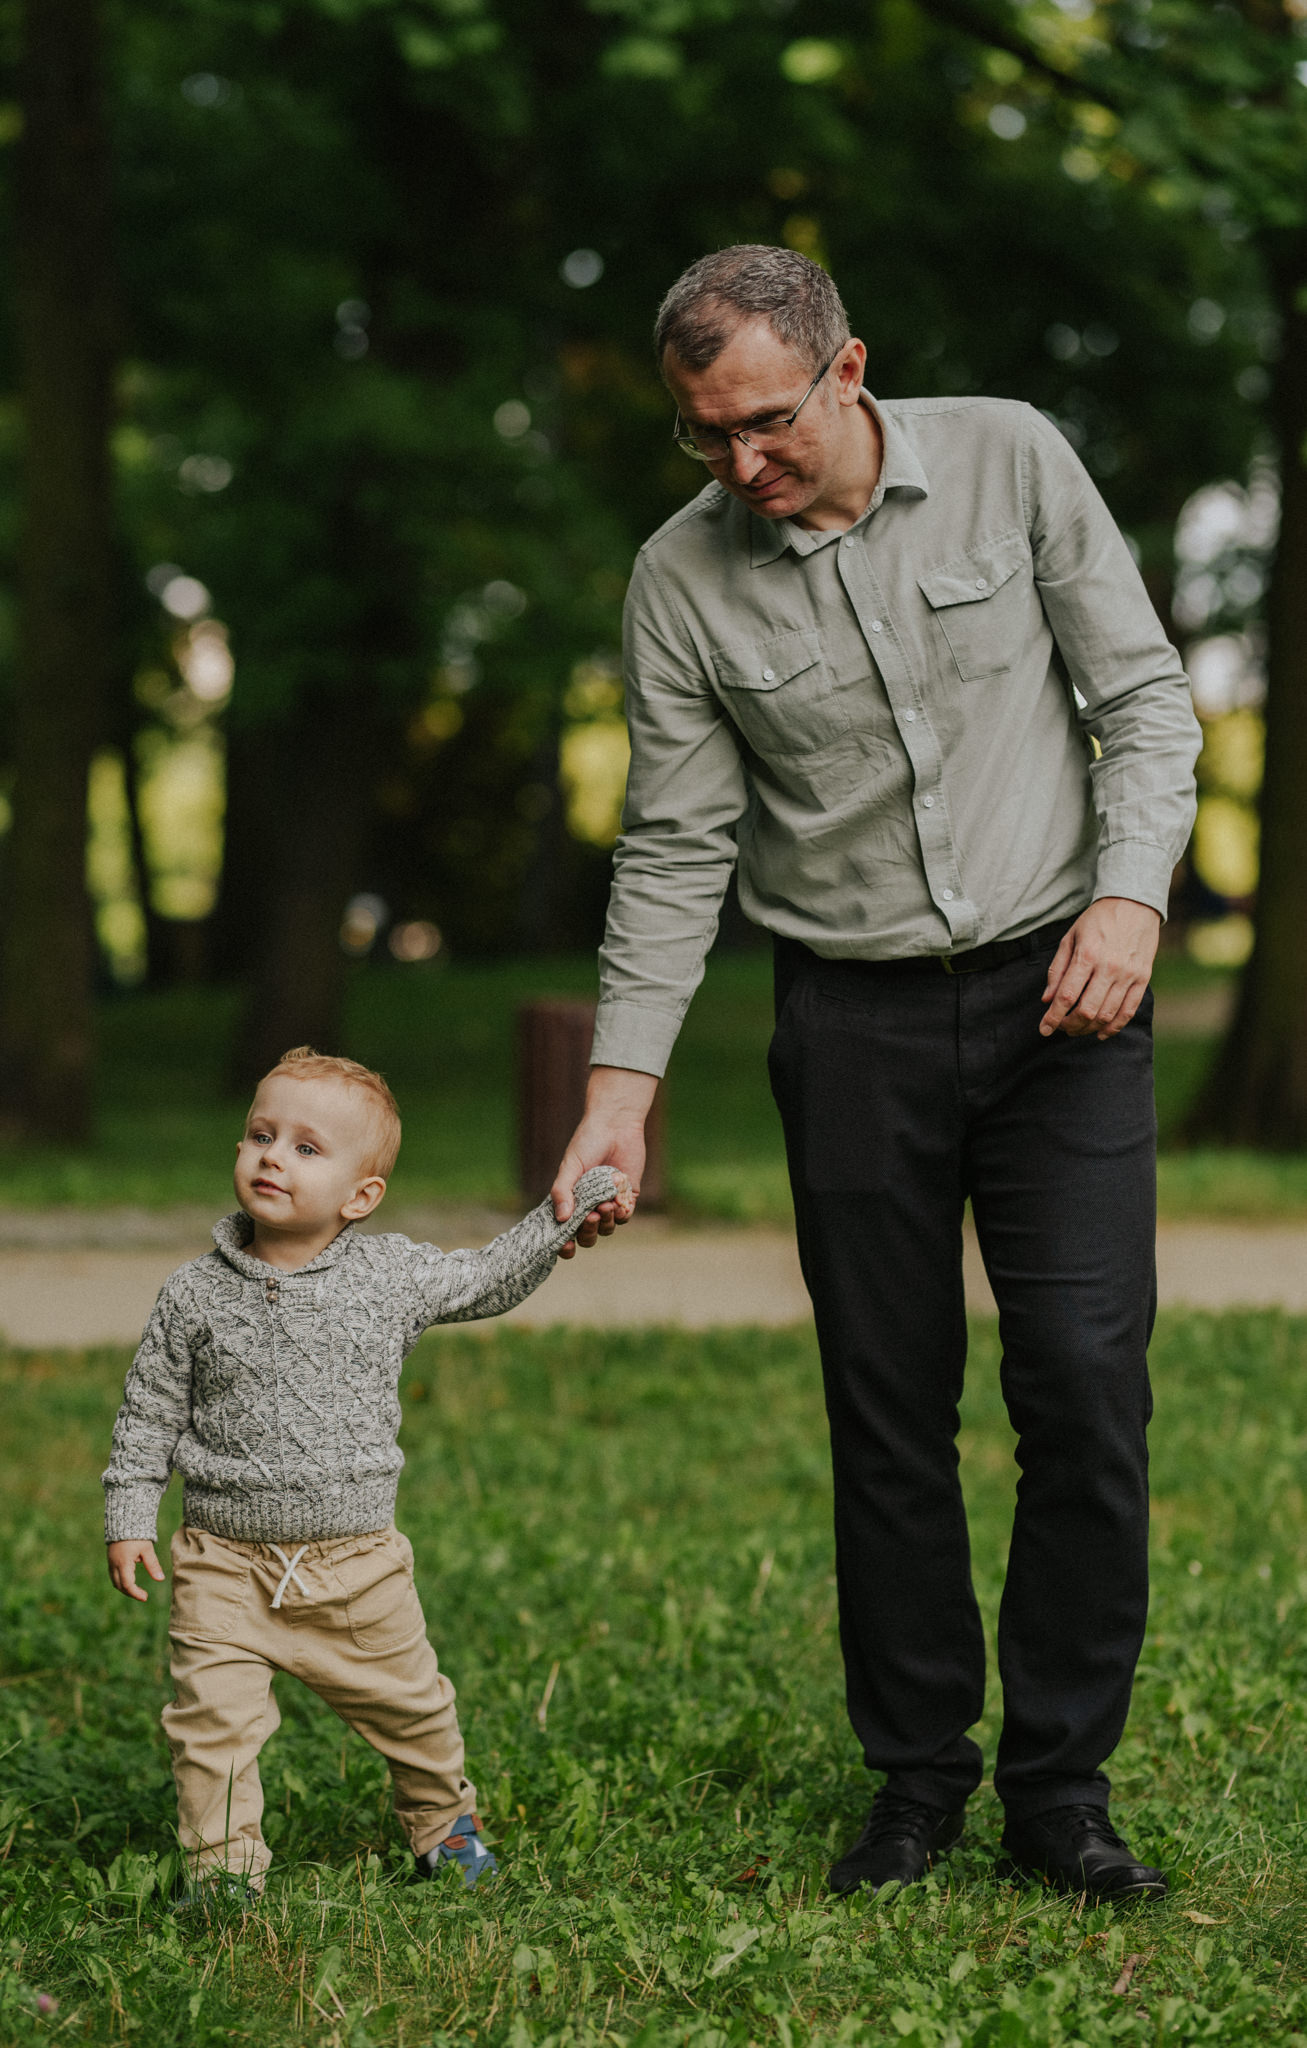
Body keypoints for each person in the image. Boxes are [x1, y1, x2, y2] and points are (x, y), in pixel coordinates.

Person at [552, 245, 1202, 1901]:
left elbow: (1140, 702)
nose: (740, 467)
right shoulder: (681, 577)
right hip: (848, 1025)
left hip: (1065, 992)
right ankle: (915, 1778)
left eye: (764, 423)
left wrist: (1129, 893)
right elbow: (676, 845)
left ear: (848, 372)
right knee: (886, 1410)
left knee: (1078, 1377)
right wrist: (619, 1093)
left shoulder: (1007, 455)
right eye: (703, 438)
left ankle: (1061, 1788)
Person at [104, 1043, 629, 1900]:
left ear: (361, 1195)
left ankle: (441, 1827)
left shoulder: (388, 1276)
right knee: (210, 1729)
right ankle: (223, 1872)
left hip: (356, 1569)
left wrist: (567, 1211)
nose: (272, 1155)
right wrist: (129, 1516)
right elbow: (149, 1412)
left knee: (415, 1713)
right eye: (260, 1135)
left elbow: (488, 1277)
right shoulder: (192, 1294)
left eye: (306, 1148)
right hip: (223, 1567)